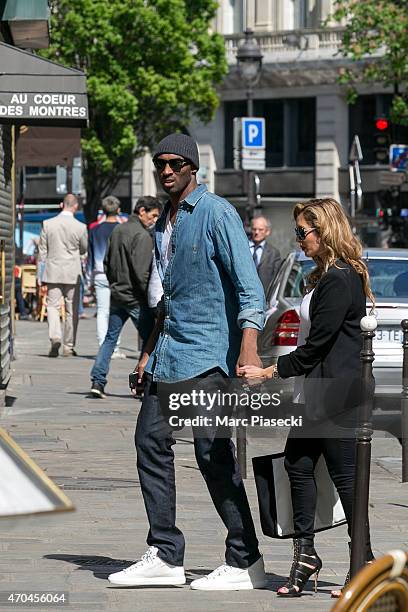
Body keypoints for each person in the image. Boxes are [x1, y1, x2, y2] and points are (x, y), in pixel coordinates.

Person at [108, 133, 266, 590]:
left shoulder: (216, 213)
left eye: (175, 163)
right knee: (149, 443)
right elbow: (166, 303)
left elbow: (248, 288)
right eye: (160, 163)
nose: (166, 170)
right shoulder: (163, 224)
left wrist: (249, 347)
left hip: (208, 356)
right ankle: (165, 553)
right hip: (168, 355)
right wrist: (144, 358)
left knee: (212, 453)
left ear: (192, 167)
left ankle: (245, 559)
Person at [239, 198, 375, 598]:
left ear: (325, 230)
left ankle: (363, 565)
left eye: (303, 232)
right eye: (297, 232)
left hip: (336, 392)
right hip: (316, 392)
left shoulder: (341, 278)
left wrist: (267, 371)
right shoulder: (323, 276)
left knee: (347, 480)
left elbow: (316, 346)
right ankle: (305, 556)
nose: (298, 239)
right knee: (297, 467)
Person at [89, 196, 162, 398]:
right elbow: (142, 274)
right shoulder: (142, 235)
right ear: (142, 212)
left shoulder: (118, 230)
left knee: (110, 339)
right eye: (153, 215)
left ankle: (98, 380)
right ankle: (141, 382)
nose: (155, 220)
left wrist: (114, 284)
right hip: (135, 298)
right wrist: (149, 298)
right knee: (150, 341)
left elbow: (106, 263)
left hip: (118, 294)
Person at [38, 194, 87, 357]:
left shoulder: (48, 224)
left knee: (52, 306)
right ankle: (68, 345)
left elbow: (42, 251)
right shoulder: (80, 227)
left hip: (53, 271)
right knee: (71, 309)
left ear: (61, 205)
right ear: (75, 206)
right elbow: (84, 249)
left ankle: (55, 337)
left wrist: (40, 274)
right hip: (72, 272)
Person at [86, 195, 125, 358]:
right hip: (119, 275)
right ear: (118, 210)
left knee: (102, 311)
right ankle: (115, 347)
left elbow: (90, 256)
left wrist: (89, 279)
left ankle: (103, 346)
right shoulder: (123, 229)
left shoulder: (94, 230)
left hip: (100, 274)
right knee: (117, 311)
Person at [249, 215, 281, 296]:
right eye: (254, 229)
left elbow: (277, 278)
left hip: (265, 297)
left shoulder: (274, 253)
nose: (256, 232)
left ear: (267, 232)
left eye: (260, 230)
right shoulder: (242, 248)